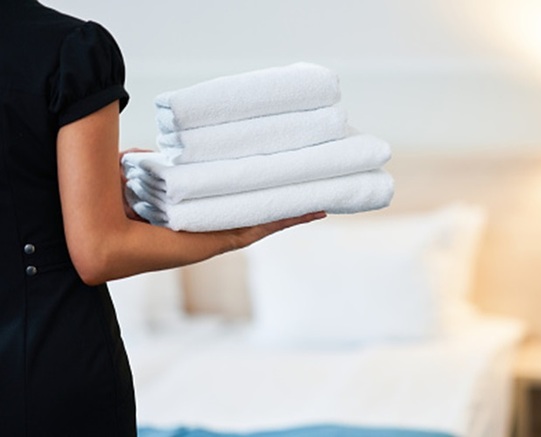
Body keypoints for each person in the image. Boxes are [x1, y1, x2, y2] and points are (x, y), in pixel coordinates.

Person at [0, 1, 325, 435]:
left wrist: (87, 185)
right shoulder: (66, 50)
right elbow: (98, 252)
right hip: (46, 369)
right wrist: (234, 233)